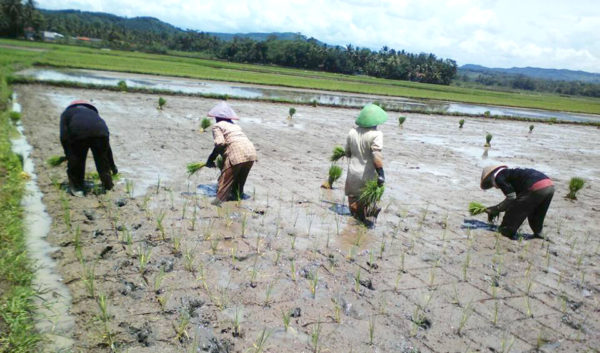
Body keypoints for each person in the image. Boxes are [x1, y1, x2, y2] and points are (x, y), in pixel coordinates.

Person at [60, 100, 118, 197]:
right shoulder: (94, 114)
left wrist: (68, 155)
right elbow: (107, 149)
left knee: (77, 160)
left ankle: (77, 188)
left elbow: (64, 137)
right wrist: (112, 166)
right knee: (102, 160)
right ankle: (108, 184)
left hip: (78, 131)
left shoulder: (66, 113)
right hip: (101, 131)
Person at [480, 165, 554, 239]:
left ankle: (506, 232)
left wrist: (495, 209)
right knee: (537, 214)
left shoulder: (498, 177)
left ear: (491, 177)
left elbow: (511, 198)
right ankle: (539, 233)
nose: (495, 187)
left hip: (535, 187)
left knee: (513, 213)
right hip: (549, 186)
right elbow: (517, 197)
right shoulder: (511, 173)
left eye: (491, 184)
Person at [205, 102, 257, 205]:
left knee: (224, 184)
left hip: (236, 154)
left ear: (216, 117)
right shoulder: (235, 126)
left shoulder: (217, 126)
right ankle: (237, 202)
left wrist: (211, 159)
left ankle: (217, 203)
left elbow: (220, 143)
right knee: (239, 184)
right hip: (251, 153)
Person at [344, 103, 387, 224]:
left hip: (353, 174)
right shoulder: (377, 134)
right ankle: (368, 214)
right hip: (368, 174)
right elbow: (376, 155)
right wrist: (381, 174)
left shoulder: (352, 133)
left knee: (353, 202)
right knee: (365, 202)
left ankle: (355, 226)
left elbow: (347, 153)